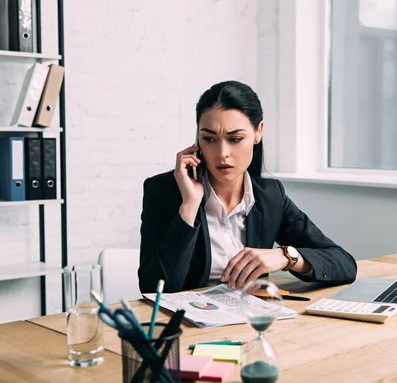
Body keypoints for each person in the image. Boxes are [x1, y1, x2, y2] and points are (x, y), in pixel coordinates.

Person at [138, 80, 357, 293]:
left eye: (235, 139)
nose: (222, 153)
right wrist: (190, 204)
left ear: (258, 132)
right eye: (209, 139)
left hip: (250, 320)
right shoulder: (163, 191)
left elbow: (343, 263)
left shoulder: (270, 196)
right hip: (186, 325)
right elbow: (155, 289)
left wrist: (285, 256)